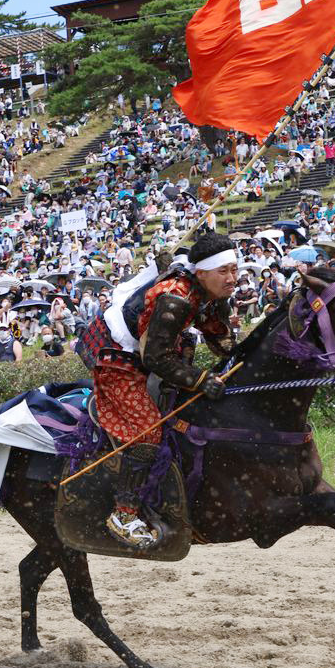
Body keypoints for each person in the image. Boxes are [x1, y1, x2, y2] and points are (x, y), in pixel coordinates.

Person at [76, 233, 236, 551]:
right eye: (224, 272)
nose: (232, 278)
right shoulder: (175, 298)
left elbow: (221, 341)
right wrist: (201, 379)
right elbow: (156, 358)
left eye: (234, 269)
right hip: (114, 351)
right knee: (147, 431)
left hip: (153, 344)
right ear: (202, 273)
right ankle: (124, 514)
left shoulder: (214, 289)